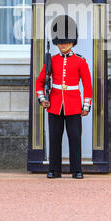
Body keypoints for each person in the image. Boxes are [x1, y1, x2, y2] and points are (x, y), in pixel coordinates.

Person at [36, 15, 93, 179]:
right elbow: (39, 82)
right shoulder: (52, 61)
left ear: (72, 42)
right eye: (60, 42)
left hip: (74, 105)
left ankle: (76, 169)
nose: (63, 45)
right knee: (54, 139)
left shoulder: (80, 61)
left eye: (66, 42)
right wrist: (42, 99)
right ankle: (54, 169)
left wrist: (86, 105)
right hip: (54, 104)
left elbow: (87, 86)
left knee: (75, 138)